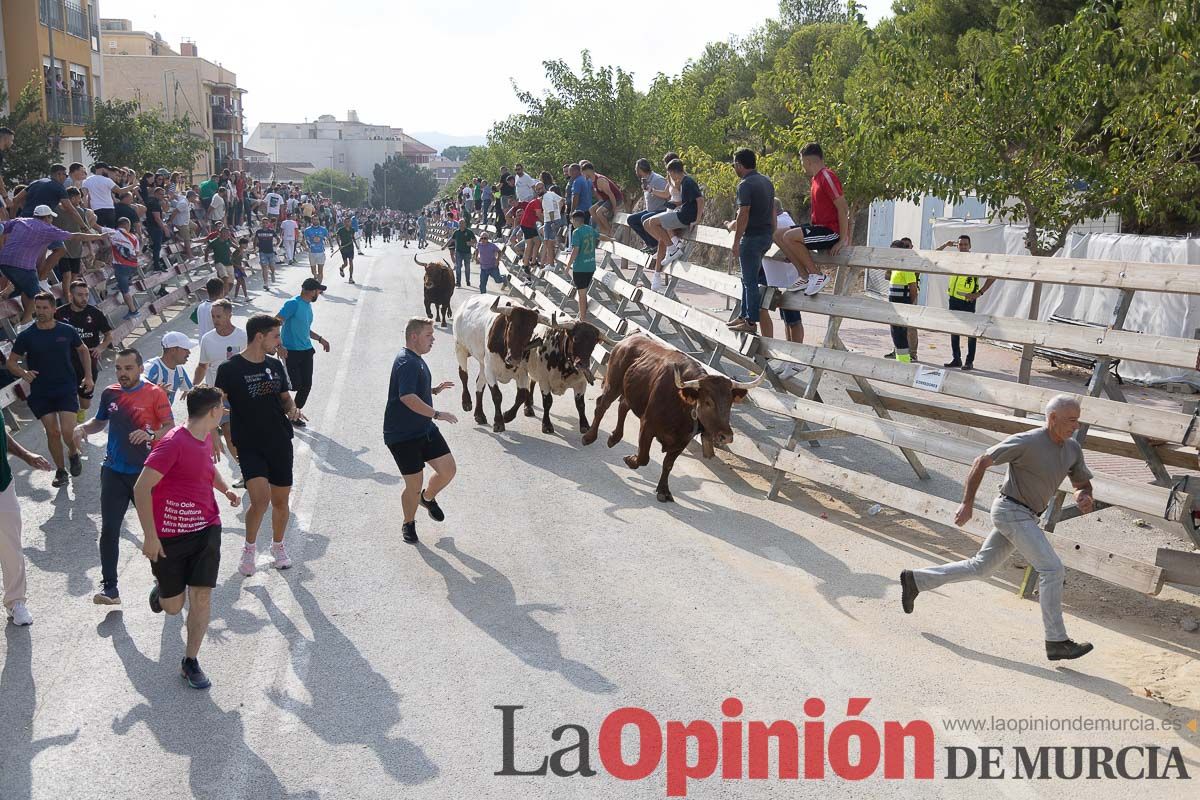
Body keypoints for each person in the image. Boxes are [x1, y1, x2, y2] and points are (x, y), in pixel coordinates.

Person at [901, 395, 1096, 662]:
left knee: (981, 567)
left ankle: (917, 579)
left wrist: (1083, 496)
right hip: (1010, 510)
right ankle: (1057, 641)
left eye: (1078, 420)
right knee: (1052, 569)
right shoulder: (1027, 441)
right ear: (1052, 418)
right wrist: (967, 503)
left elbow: (1081, 483)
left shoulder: (1072, 449)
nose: (1076, 426)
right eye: (1071, 420)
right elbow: (981, 461)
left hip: (1027, 515)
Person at [134, 385, 239, 689]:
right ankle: (162, 590)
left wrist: (226, 489)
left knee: (202, 596)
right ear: (213, 412)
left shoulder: (206, 436)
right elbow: (141, 489)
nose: (225, 412)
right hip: (170, 537)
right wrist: (150, 537)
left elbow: (206, 470)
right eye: (223, 407)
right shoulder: (172, 444)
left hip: (207, 528)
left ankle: (190, 661)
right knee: (172, 608)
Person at [73, 349, 173, 605]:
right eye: (119, 368)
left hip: (146, 474)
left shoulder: (154, 393)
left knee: (153, 530)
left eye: (128, 368)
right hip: (114, 470)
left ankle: (163, 581)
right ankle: (110, 588)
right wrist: (83, 428)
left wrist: (150, 436)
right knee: (109, 529)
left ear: (140, 368)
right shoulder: (110, 393)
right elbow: (99, 422)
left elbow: (169, 428)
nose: (123, 373)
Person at [215, 315, 304, 576]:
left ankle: (278, 547)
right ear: (259, 337)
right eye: (275, 336)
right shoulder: (229, 369)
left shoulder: (275, 366)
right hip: (250, 444)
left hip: (279, 441)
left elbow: (285, 399)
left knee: (280, 500)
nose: (279, 341)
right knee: (260, 500)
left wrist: (293, 410)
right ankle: (249, 550)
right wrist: (215, 434)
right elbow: (217, 405)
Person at [7, 292, 94, 487]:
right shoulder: (27, 336)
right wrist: (23, 373)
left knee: (67, 431)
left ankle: (73, 453)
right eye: (38, 307)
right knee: (52, 432)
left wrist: (88, 376)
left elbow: (83, 350)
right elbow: (11, 362)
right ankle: (61, 471)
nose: (41, 311)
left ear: (54, 309)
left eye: (45, 308)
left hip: (65, 386)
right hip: (41, 391)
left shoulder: (67, 331)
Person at [385, 317, 458, 545]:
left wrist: (432, 390)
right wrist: (437, 414)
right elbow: (407, 397)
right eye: (429, 335)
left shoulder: (417, 359)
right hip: (403, 436)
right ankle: (408, 522)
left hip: (424, 429)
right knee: (413, 487)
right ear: (414, 337)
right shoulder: (407, 362)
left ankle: (427, 498)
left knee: (448, 470)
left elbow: (414, 390)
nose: (433, 339)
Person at [1, 206, 106, 325]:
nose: (52, 220)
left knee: (25, 289)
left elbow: (2, 227)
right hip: (22, 265)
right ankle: (27, 322)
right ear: (46, 218)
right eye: (51, 218)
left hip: (4, 262)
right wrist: (99, 236)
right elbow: (75, 236)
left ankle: (16, 306)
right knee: (37, 295)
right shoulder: (48, 229)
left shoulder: (20, 221)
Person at [778, 142, 849, 296]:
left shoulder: (826, 176)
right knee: (777, 234)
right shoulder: (815, 179)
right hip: (818, 228)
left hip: (830, 231)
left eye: (802, 161)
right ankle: (804, 275)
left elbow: (843, 208)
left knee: (789, 237)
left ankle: (816, 274)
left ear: (808, 161)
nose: (802, 165)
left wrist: (842, 239)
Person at [1, 429, 53, 625]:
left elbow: (1, 432)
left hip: (2, 484)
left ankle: (15, 602)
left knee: (11, 548)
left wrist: (25, 455)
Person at [727, 149, 776, 334]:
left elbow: (743, 213)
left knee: (750, 282)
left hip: (752, 238)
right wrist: (771, 232)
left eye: (734, 165)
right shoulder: (766, 181)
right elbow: (772, 211)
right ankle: (743, 315)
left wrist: (736, 240)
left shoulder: (745, 184)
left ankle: (750, 321)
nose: (734, 169)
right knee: (747, 280)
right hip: (765, 236)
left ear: (739, 164)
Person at [55, 280, 113, 422]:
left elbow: (109, 335)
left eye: (86, 295)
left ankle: (80, 413)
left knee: (85, 403)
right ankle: (72, 425)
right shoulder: (59, 313)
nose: (84, 298)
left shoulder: (95, 313)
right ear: (71, 295)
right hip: (65, 363)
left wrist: (100, 347)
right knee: (68, 399)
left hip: (87, 365)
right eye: (80, 295)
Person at [276, 279, 331, 420]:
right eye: (318, 290)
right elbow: (275, 322)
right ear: (311, 291)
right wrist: (279, 346)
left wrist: (320, 339)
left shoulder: (307, 305)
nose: (319, 293)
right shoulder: (293, 304)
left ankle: (294, 415)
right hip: (291, 351)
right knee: (294, 384)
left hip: (306, 350)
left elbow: (305, 329)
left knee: (306, 385)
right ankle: (278, 408)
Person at [644, 159, 703, 290]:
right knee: (648, 222)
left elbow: (700, 200)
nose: (669, 177)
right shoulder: (682, 182)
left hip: (685, 217)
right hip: (681, 213)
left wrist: (697, 219)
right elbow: (683, 201)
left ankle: (672, 248)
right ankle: (672, 245)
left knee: (653, 223)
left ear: (673, 172)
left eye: (669, 174)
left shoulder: (687, 182)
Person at [940, 235, 993, 371]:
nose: (962, 247)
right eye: (960, 244)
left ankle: (969, 361)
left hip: (968, 300)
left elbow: (993, 275)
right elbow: (934, 256)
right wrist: (946, 244)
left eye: (965, 244)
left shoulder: (976, 261)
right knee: (954, 330)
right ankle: (956, 359)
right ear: (957, 246)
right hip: (953, 299)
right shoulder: (954, 259)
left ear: (970, 246)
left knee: (971, 332)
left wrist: (979, 293)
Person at [886, 240, 920, 363]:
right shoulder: (895, 267)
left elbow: (913, 288)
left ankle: (905, 360)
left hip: (902, 306)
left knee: (901, 334)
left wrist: (909, 306)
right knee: (896, 334)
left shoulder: (906, 267)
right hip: (894, 307)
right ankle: (901, 359)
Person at [628, 158, 670, 253]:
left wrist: (652, 191)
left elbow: (667, 195)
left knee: (644, 218)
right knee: (631, 219)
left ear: (640, 169)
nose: (635, 172)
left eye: (636, 169)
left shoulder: (658, 179)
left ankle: (655, 245)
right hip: (651, 210)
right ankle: (650, 244)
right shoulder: (645, 180)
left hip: (661, 210)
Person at [564, 210, 599, 321]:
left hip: (580, 268)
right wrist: (610, 239)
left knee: (582, 295)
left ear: (575, 220)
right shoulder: (590, 229)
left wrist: (568, 266)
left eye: (571, 220)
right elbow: (600, 236)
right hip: (591, 266)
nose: (571, 223)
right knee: (583, 292)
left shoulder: (576, 232)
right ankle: (581, 313)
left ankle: (582, 319)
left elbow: (575, 250)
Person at [144, 331, 195, 404]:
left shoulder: (179, 370)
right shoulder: (151, 367)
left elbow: (190, 389)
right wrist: (155, 391)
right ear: (173, 350)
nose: (189, 352)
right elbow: (136, 383)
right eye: (185, 349)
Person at [582, 163, 622, 236]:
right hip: (606, 199)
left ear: (588, 171)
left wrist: (614, 208)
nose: (583, 176)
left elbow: (611, 194)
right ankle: (603, 229)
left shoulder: (600, 180)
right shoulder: (592, 180)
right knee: (591, 209)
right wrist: (600, 203)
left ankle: (610, 232)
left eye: (583, 173)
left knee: (599, 212)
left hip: (616, 199)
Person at [205, 224, 236, 299]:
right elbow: (207, 249)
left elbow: (234, 245)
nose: (228, 235)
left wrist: (240, 249)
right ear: (221, 233)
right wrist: (206, 259)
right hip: (219, 262)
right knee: (225, 278)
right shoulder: (214, 242)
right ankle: (226, 296)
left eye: (229, 234)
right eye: (226, 233)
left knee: (231, 282)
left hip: (228, 262)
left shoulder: (228, 240)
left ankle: (223, 295)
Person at [195, 277, 226, 341]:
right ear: (221, 292)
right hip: (215, 344)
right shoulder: (218, 309)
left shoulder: (200, 307)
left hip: (203, 344)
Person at [303, 217, 332, 283]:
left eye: (317, 219)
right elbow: (303, 240)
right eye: (314, 219)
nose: (316, 221)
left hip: (321, 252)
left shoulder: (323, 229)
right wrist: (305, 247)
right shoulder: (307, 230)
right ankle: (315, 276)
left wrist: (331, 246)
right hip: (312, 252)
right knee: (313, 271)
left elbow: (328, 237)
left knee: (320, 271)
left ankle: (319, 286)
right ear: (311, 220)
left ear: (319, 220)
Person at [449, 222, 476, 287]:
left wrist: (470, 242)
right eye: (460, 223)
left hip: (467, 252)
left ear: (465, 224)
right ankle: (458, 282)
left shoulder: (469, 232)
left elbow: (475, 240)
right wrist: (444, 246)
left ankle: (467, 281)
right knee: (458, 267)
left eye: (462, 223)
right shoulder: (456, 232)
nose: (461, 224)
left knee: (467, 268)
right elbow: (451, 240)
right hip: (458, 252)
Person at [255, 221, 280, 291]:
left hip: (270, 251)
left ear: (268, 224)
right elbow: (255, 240)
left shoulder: (271, 231)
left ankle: (272, 273)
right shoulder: (258, 232)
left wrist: (276, 244)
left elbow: (278, 239)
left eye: (266, 223)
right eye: (263, 223)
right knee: (264, 267)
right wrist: (255, 247)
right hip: (262, 252)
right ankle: (266, 283)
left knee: (272, 266)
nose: (265, 224)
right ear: (261, 224)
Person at [336, 218, 357, 284]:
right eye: (346, 222)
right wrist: (339, 245)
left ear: (350, 222)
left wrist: (356, 245)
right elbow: (337, 237)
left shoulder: (352, 230)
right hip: (343, 248)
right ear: (344, 223)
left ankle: (350, 277)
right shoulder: (341, 230)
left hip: (350, 248)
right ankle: (341, 268)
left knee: (351, 261)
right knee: (345, 264)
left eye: (348, 222)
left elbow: (353, 237)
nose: (347, 223)